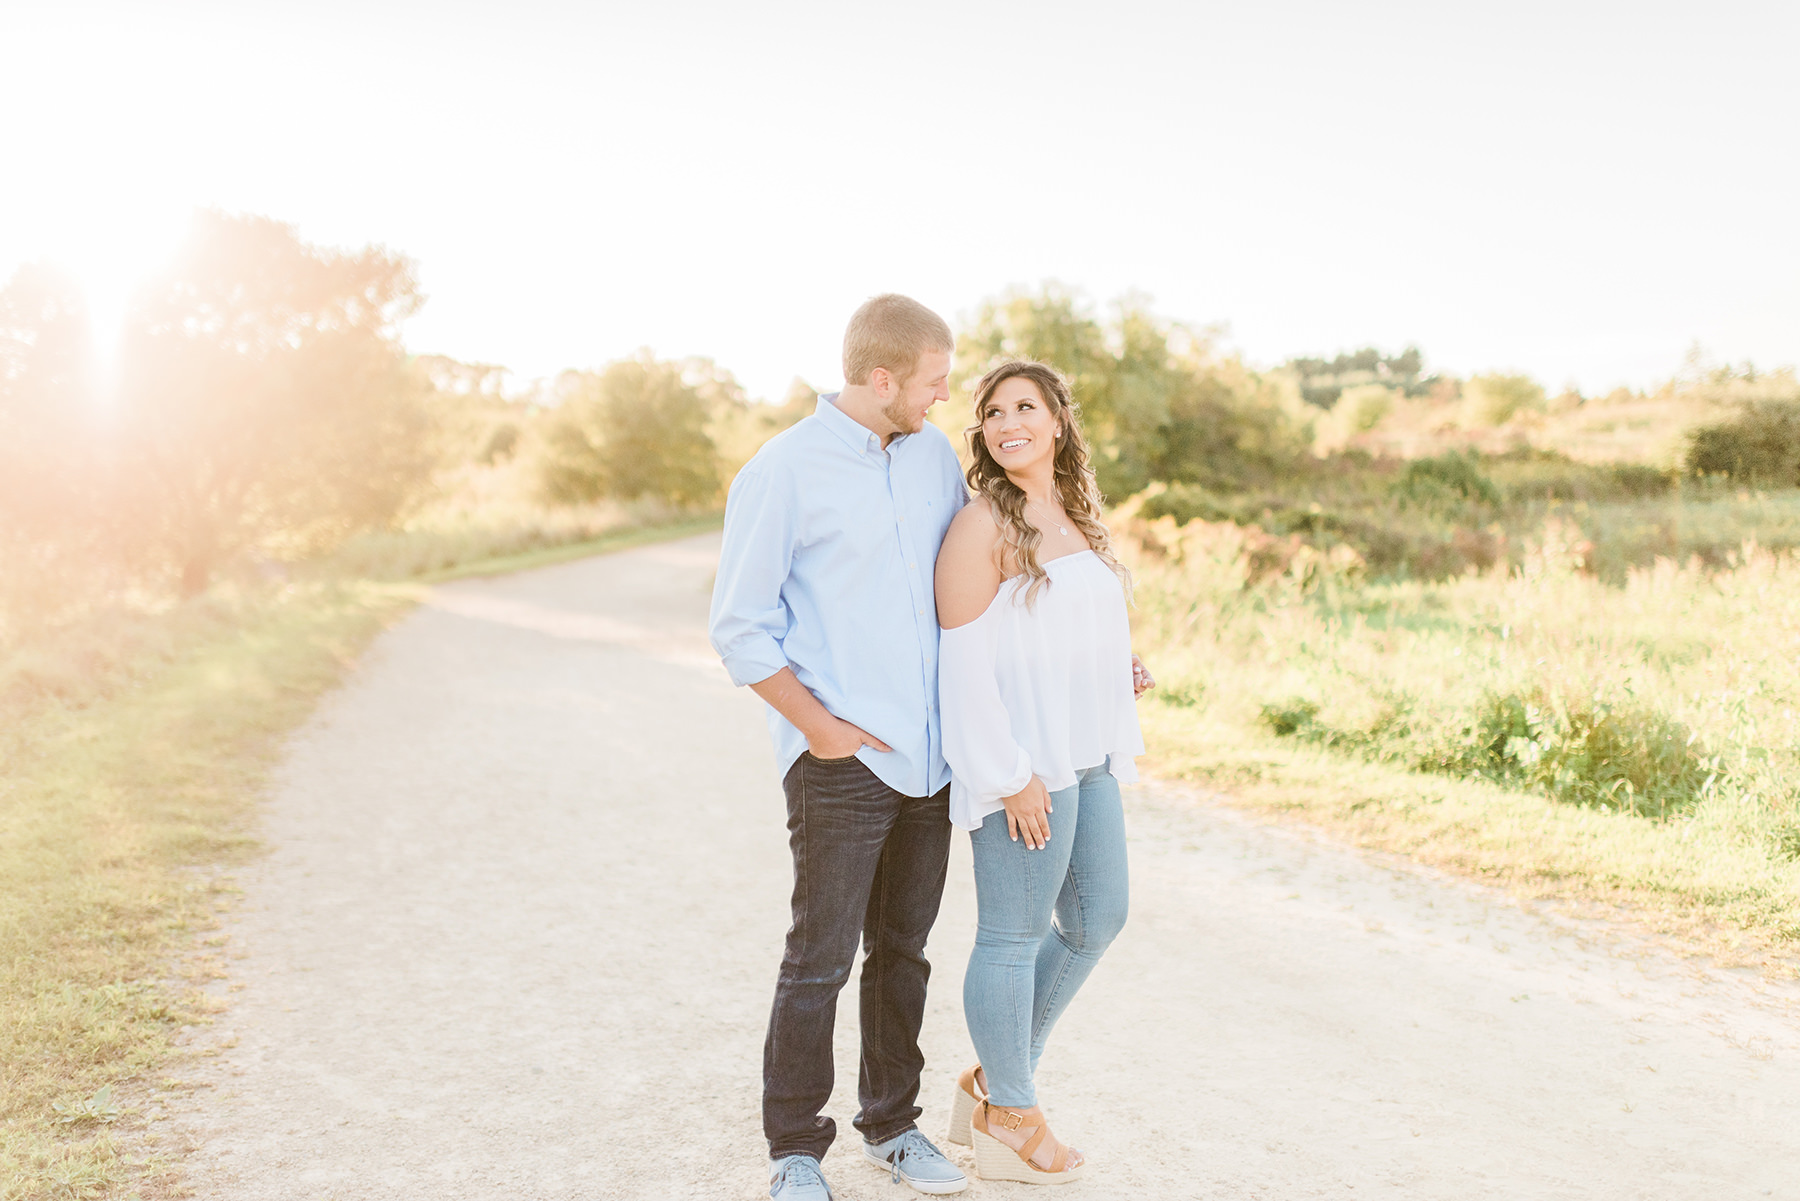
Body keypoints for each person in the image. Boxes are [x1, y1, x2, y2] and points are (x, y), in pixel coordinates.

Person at [709, 294, 971, 1200]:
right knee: (817, 957)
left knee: (905, 952)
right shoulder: (784, 470)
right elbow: (740, 626)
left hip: (933, 762)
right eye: (934, 382)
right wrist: (820, 729)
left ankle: (893, 1127)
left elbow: (985, 571)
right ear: (883, 376)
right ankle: (794, 1151)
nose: (945, 399)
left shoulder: (935, 457)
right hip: (841, 764)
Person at [933, 358, 1152, 1185]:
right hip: (1025, 763)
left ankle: (996, 1081)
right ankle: (1013, 1116)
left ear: (1058, 420)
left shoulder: (1076, 513)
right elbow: (965, 664)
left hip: (1086, 750)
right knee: (1012, 938)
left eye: (1024, 405)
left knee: (1099, 919)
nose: (1006, 421)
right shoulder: (981, 523)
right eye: (992, 411)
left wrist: (1117, 666)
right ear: (983, 431)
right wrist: (1008, 774)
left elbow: (1067, 625)